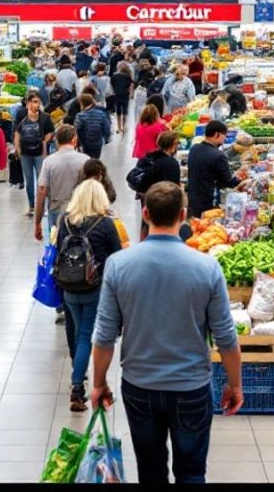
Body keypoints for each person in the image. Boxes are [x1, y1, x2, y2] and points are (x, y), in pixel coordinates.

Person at [91, 181, 243, 484]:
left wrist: (98, 383)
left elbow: (105, 335)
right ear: (183, 215)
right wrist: (235, 385)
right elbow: (226, 337)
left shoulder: (118, 265)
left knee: (150, 471)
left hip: (139, 386)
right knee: (191, 472)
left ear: (145, 213)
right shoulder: (207, 267)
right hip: (191, 387)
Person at [56, 179, 124, 411]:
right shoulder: (105, 224)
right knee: (86, 336)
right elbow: (117, 257)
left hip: (69, 286)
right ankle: (77, 387)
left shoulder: (65, 221)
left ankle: (79, 372)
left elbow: (57, 251)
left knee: (77, 335)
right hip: (95, 289)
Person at [34, 124, 90, 241]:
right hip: (81, 211)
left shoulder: (49, 162)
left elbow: (42, 191)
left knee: (56, 246)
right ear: (74, 139)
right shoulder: (85, 160)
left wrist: (37, 222)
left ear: (56, 140)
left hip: (56, 210)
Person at [186, 120, 249, 218]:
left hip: (193, 200)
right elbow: (227, 182)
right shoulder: (219, 155)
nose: (224, 139)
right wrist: (243, 179)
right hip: (209, 201)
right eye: (224, 135)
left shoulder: (194, 149)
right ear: (217, 134)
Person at [134, 130, 183, 241]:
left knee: (147, 226)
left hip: (146, 199)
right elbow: (173, 188)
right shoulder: (171, 163)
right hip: (164, 203)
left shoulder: (148, 158)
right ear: (173, 145)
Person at [13, 90, 55, 216]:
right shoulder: (21, 114)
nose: (36, 104)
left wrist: (44, 142)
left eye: (37, 102)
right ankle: (32, 206)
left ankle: (42, 206)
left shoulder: (45, 117)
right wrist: (17, 147)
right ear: (28, 103)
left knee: (41, 181)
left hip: (39, 154)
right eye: (33, 102)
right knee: (29, 181)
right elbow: (17, 131)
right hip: (25, 153)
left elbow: (50, 131)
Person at [75, 93, 112, 160]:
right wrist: (105, 139)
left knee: (86, 160)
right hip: (98, 142)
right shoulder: (101, 113)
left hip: (85, 143)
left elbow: (77, 129)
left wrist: (79, 144)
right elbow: (107, 127)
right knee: (96, 159)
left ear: (82, 103)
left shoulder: (80, 115)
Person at [110, 61, 134, 134]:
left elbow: (111, 85)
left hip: (117, 95)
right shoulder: (128, 76)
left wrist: (114, 91)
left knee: (118, 112)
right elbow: (131, 85)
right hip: (125, 95)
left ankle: (118, 127)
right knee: (125, 112)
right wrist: (131, 94)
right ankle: (123, 127)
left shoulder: (114, 75)